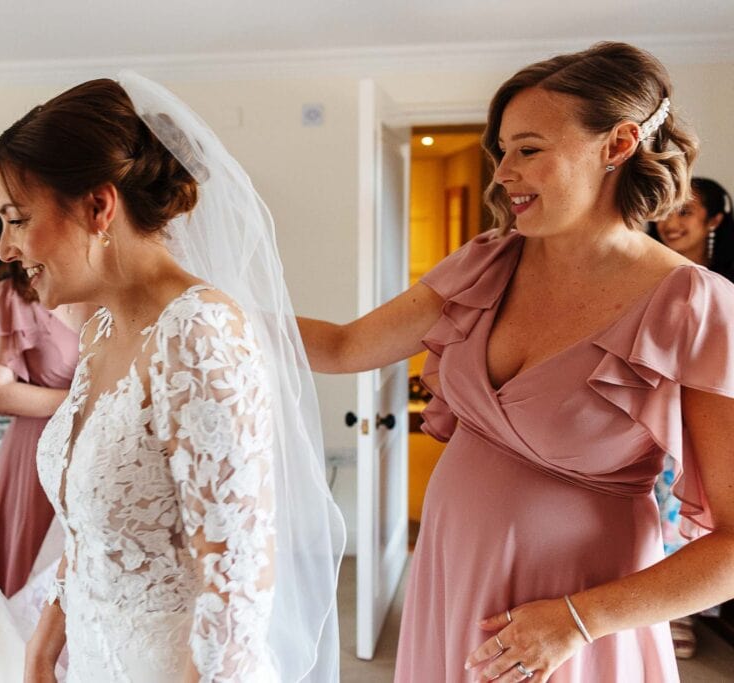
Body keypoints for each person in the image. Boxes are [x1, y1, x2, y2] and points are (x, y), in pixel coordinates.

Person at [298, 42, 734, 682]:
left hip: (573, 610)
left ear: (617, 146)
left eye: (528, 149)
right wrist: (191, 308)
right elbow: (341, 346)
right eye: (501, 150)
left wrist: (577, 621)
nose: (503, 173)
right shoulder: (487, 261)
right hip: (453, 572)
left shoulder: (695, 304)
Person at [0, 71, 345, 682]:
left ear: (98, 207)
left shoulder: (201, 334)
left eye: (16, 218)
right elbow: (91, 535)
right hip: (95, 657)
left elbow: (237, 581)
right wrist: (43, 648)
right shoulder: (98, 332)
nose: (4, 249)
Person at [0, 261, 93, 597]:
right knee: (28, 583)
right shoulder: (15, 294)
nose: (4, 245)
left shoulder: (115, 287)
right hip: (36, 452)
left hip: (100, 451)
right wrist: (89, 401)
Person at [647, 176, 734, 657]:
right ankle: (643, 602)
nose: (671, 222)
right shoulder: (644, 271)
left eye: (686, 212)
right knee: (651, 501)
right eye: (666, 211)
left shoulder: (724, 284)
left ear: (714, 220)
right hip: (654, 402)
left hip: (709, 405)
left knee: (697, 503)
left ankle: (682, 607)